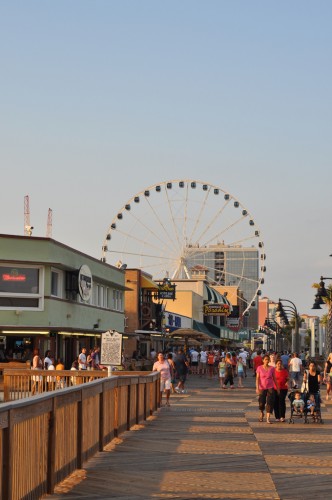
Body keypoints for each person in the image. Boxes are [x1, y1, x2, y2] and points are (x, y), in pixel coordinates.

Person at [256, 354, 279, 424]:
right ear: (263, 360)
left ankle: (268, 418)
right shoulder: (259, 368)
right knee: (261, 402)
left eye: (267, 359)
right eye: (265, 359)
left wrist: (277, 388)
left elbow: (274, 378)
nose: (267, 361)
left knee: (270, 402)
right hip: (262, 387)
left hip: (270, 387)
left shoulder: (272, 368)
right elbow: (257, 378)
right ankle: (261, 412)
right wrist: (257, 388)